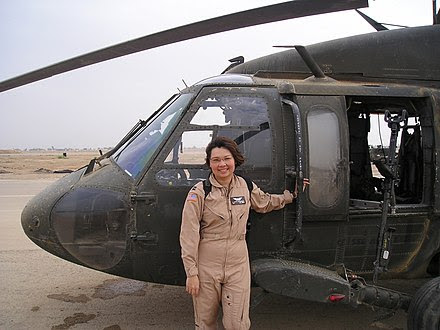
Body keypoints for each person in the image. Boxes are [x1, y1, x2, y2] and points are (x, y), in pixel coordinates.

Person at [180, 136, 297, 329]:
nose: (222, 164)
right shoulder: (200, 192)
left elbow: (265, 202)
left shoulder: (245, 186)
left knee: (237, 323)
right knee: (205, 322)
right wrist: (192, 273)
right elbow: (188, 235)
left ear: (235, 160)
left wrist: (289, 197)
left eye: (226, 158)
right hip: (207, 263)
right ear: (209, 163)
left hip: (237, 263)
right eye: (216, 160)